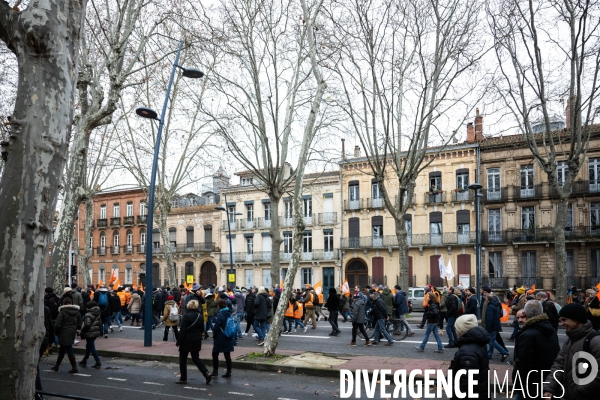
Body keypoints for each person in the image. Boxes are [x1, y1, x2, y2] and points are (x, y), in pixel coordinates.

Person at [543, 303, 600, 399]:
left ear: (576, 319)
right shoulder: (570, 339)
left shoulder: (595, 340)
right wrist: (549, 388)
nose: (561, 324)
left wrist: (581, 390)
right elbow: (559, 365)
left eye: (564, 320)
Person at [511, 300, 559, 400]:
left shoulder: (528, 334)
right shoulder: (550, 330)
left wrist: (517, 383)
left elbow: (523, 363)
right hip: (547, 380)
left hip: (530, 384)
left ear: (525, 313)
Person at [448, 314, 490, 400]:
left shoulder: (467, 352)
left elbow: (467, 385)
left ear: (461, 330)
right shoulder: (478, 343)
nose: (455, 330)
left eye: (456, 328)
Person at [176, 300, 211, 385]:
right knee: (196, 358)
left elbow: (183, 330)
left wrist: (179, 341)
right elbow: (202, 329)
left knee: (183, 359)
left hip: (186, 339)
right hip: (196, 339)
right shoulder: (200, 316)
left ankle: (183, 378)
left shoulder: (187, 316)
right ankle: (206, 372)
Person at [51, 297, 82, 373]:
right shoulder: (76, 312)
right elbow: (80, 323)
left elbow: (58, 324)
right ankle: (57, 366)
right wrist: (76, 328)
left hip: (63, 331)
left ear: (63, 303)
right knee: (63, 348)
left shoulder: (62, 312)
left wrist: (56, 332)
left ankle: (74, 367)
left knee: (68, 348)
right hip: (72, 331)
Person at [484, 293, 510, 361]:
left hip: (492, 326)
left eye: (486, 298)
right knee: (492, 340)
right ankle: (489, 354)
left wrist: (488, 328)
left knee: (491, 341)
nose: (485, 299)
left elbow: (490, 318)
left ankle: (504, 352)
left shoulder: (490, 306)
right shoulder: (496, 305)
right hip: (496, 324)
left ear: (488, 299)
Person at [212, 299, 234, 378]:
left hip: (221, 336)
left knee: (215, 353)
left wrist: (214, 334)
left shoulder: (220, 314)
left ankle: (215, 371)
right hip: (228, 335)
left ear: (219, 306)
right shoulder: (229, 313)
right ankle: (229, 372)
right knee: (227, 355)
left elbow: (217, 326)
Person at [36, 304, 54, 399]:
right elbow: (50, 325)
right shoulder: (45, 308)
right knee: (34, 366)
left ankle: (38, 393)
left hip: (36, 339)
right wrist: (51, 340)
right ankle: (38, 394)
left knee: (33, 366)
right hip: (43, 338)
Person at [78, 300, 102, 369]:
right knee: (88, 346)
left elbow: (87, 324)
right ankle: (84, 359)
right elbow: (100, 323)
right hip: (95, 331)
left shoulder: (88, 314)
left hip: (89, 332)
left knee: (91, 347)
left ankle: (97, 361)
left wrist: (82, 331)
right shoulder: (98, 313)